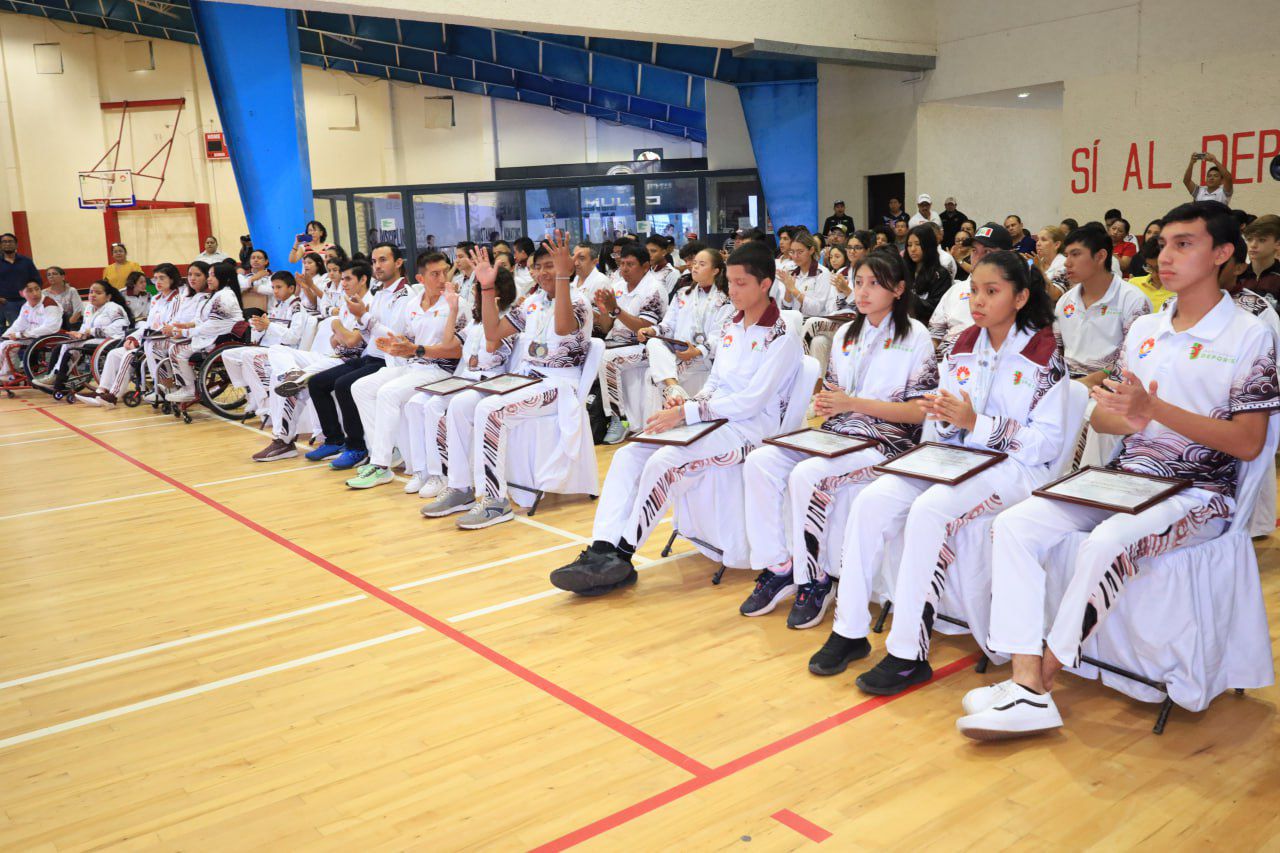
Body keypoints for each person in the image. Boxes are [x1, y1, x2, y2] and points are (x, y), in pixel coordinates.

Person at [963, 201, 1276, 739]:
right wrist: (1127, 414)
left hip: (1200, 493)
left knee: (1106, 542)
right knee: (1015, 524)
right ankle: (1022, 677)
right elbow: (1108, 421)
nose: (1165, 256)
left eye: (1184, 244)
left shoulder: (1249, 335)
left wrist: (1153, 410)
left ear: (1223, 253)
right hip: (1126, 478)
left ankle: (1040, 684)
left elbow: (1249, 443)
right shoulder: (1147, 328)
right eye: (1164, 244)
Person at [828, 251, 1067, 689]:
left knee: (930, 509)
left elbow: (1046, 445)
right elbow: (942, 423)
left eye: (991, 291)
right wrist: (944, 421)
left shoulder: (1043, 351)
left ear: (1020, 297)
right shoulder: (961, 345)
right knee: (873, 499)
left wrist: (977, 424)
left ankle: (907, 653)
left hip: (1014, 467)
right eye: (973, 290)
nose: (978, 300)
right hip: (957, 457)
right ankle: (849, 629)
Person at [548, 240, 803, 595]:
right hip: (714, 418)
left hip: (749, 431)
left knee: (665, 460)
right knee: (629, 454)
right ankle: (602, 546)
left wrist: (688, 412)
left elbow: (751, 401)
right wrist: (687, 406)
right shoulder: (732, 325)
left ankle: (622, 556)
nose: (732, 291)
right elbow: (716, 382)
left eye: (741, 283)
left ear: (765, 284)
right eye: (730, 282)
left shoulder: (781, 336)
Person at [738, 250, 936, 627]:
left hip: (886, 445)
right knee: (761, 461)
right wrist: (827, 404)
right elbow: (833, 396)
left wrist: (851, 403)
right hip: (839, 436)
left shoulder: (916, 335)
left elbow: (919, 412)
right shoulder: (846, 333)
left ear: (898, 289)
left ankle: (817, 579)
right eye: (858, 282)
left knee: (808, 475)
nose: (862, 292)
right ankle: (780, 566)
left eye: (874, 284)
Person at [423, 235, 593, 529]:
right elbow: (493, 332)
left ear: (566, 268)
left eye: (551, 266)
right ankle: (461, 487)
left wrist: (563, 277)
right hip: (526, 379)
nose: (543, 272)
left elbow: (563, 327)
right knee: (461, 404)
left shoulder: (578, 300)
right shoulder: (533, 302)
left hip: (558, 385)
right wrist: (487, 287)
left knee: (489, 409)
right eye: (539, 267)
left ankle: (495, 500)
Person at [341, 252, 467, 489]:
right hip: (415, 366)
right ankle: (386, 453)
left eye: (445, 272)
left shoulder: (457, 303)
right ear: (421, 278)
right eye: (435, 274)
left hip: (442, 370)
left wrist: (415, 350)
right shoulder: (413, 305)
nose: (442, 278)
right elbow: (409, 343)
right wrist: (396, 347)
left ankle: (380, 465)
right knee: (360, 387)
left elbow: (456, 350)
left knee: (388, 393)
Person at [400, 269, 520, 498]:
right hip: (465, 377)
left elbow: (492, 347)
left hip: (489, 381)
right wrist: (453, 309)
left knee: (433, 406)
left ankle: (440, 474)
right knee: (415, 403)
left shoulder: (508, 319)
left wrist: (492, 309)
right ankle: (422, 470)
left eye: (480, 287)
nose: (474, 290)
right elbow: (448, 344)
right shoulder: (476, 321)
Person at [296, 243, 410, 469]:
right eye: (374, 261)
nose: (377, 266)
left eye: (383, 260)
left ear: (398, 262)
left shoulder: (405, 296)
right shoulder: (379, 294)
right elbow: (367, 334)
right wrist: (361, 322)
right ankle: (334, 439)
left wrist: (359, 320)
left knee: (344, 385)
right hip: (370, 355)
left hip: (390, 360)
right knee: (317, 382)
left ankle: (358, 447)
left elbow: (392, 337)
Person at [252, 262, 372, 462]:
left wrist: (336, 325)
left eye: (348, 279)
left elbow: (352, 342)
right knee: (276, 351)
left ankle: (283, 441)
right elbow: (335, 341)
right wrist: (339, 331)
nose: (343, 283)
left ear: (363, 280)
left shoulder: (369, 304)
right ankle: (292, 373)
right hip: (333, 355)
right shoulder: (347, 302)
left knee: (296, 386)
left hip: (351, 360)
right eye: (343, 279)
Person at [638, 246, 735, 416]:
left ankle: (670, 410)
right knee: (653, 342)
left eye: (702, 264)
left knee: (654, 376)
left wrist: (697, 351)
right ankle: (674, 389)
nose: (695, 267)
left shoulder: (725, 299)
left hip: (702, 355)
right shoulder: (682, 294)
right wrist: (652, 330)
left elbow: (720, 336)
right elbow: (667, 325)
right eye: (694, 263)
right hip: (677, 350)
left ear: (716, 270)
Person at [76, 263, 184, 407]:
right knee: (114, 354)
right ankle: (101, 391)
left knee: (129, 355)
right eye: (155, 278)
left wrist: (140, 341)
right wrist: (133, 337)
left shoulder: (177, 299)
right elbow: (148, 325)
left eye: (162, 278)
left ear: (172, 279)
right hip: (150, 339)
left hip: (166, 341)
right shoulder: (156, 299)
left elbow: (169, 326)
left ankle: (113, 396)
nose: (157, 282)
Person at [1055, 226, 1150, 386]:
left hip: (1112, 387)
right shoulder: (1065, 300)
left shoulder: (1133, 300)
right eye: (1066, 255)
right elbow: (1055, 351)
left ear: (1100, 256)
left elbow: (1134, 359)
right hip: (1068, 382)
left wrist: (1088, 383)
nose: (1067, 263)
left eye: (1075, 254)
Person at [596, 243, 668, 444]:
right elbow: (606, 327)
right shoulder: (618, 287)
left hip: (646, 346)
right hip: (616, 342)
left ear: (645, 266)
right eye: (622, 264)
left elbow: (644, 327)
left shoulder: (654, 288)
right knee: (593, 350)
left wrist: (616, 310)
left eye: (630, 264)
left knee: (608, 359)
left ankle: (619, 419)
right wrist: (604, 310)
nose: (624, 269)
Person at [219, 271, 307, 418]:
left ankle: (264, 403)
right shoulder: (277, 306)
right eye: (273, 287)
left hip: (282, 351)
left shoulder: (297, 308)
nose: (275, 291)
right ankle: (252, 393)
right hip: (267, 347)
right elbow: (266, 330)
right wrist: (259, 328)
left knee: (247, 356)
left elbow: (293, 338)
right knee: (228, 354)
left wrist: (268, 325)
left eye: (279, 287)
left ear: (291, 288)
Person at [34, 280, 134, 393]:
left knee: (70, 346)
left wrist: (91, 331)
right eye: (91, 292)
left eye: (98, 293)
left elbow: (120, 328)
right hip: (95, 339)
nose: (93, 295)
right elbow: (85, 328)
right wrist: (79, 334)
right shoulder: (89, 308)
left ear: (108, 297)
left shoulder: (114, 308)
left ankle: (57, 379)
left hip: (114, 340)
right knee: (62, 345)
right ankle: (53, 376)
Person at [165, 261, 244, 403]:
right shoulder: (217, 294)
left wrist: (184, 332)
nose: (209, 279)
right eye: (209, 275)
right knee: (173, 347)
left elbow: (212, 326)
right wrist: (185, 326)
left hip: (220, 339)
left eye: (213, 275)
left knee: (177, 351)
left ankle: (189, 390)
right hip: (212, 336)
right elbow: (203, 320)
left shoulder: (224, 297)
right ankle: (185, 387)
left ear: (224, 278)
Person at [929, 222, 1013, 352]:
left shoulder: (1015, 295)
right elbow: (934, 336)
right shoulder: (955, 290)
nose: (978, 258)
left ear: (1008, 256)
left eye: (987, 251)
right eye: (974, 250)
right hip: (949, 359)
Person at [0, 280, 62, 387]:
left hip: (48, 337)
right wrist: (4, 336)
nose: (35, 293)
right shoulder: (26, 306)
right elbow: (18, 325)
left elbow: (50, 327)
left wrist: (20, 335)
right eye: (30, 291)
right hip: (32, 337)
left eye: (37, 289)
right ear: (21, 293)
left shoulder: (49, 304)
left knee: (8, 345)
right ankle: (8, 376)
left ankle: (8, 377)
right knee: (3, 343)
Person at [777, 231, 836, 317]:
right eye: (792, 252)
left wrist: (794, 290)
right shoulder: (791, 272)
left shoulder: (822, 273)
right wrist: (788, 290)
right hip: (794, 320)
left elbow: (816, 310)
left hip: (812, 322)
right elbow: (786, 308)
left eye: (800, 252)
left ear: (811, 250)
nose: (795, 256)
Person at [904, 223, 952, 324]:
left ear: (929, 245)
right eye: (909, 245)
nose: (912, 249)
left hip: (928, 326)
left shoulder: (940, 274)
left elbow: (936, 308)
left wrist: (909, 297)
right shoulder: (903, 271)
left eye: (918, 244)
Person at [0, 232, 41, 333]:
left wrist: (34, 295)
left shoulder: (26, 261)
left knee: (30, 329)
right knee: (14, 330)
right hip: (5, 302)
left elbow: (36, 280)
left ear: (16, 244)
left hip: (26, 301)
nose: (7, 244)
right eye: (4, 242)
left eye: (10, 241)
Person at [1240, 214, 1280, 301]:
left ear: (1278, 243)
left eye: (1262, 240)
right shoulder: (1238, 273)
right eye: (1249, 239)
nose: (1253, 245)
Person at [1126, 239, 1174, 311]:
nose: (1154, 275)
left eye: (1159, 269)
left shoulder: (1183, 290)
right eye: (1149, 267)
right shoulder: (1133, 284)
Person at [1032, 225, 1069, 300]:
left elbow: (1054, 295)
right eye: (1037, 240)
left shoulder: (1064, 264)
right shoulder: (1038, 261)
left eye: (1043, 240)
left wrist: (1040, 271)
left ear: (1056, 245)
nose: (1038, 243)